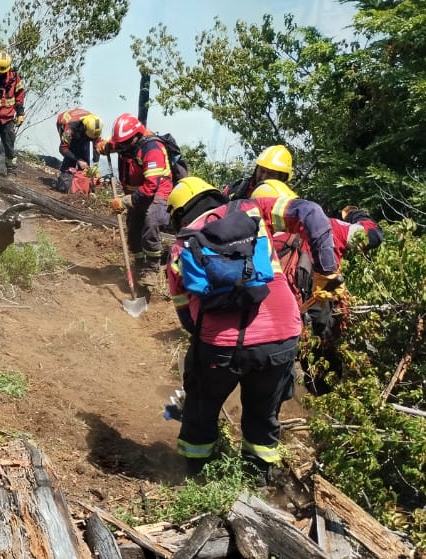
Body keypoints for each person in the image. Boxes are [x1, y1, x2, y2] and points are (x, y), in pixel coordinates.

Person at [164, 177, 340, 475]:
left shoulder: (179, 250)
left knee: (201, 408)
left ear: (179, 213)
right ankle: (258, 478)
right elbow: (311, 212)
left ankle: (195, 474)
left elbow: (188, 320)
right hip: (282, 336)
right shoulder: (254, 209)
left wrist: (211, 351)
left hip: (219, 345)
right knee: (263, 413)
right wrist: (327, 270)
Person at [247, 182, 383, 391]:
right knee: (326, 383)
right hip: (324, 327)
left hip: (274, 331)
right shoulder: (328, 226)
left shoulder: (249, 241)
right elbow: (372, 235)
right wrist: (357, 216)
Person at [102, 113, 174, 291]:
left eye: (125, 144)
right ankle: (139, 262)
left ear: (136, 136)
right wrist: (103, 146)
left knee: (150, 222)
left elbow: (150, 187)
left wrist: (125, 201)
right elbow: (112, 144)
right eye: (120, 144)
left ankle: (151, 267)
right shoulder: (125, 142)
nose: (121, 148)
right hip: (138, 191)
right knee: (133, 227)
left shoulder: (152, 149)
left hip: (159, 191)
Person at [53, 108, 104, 192]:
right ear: (84, 128)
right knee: (72, 151)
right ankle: (64, 181)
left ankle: (82, 183)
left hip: (82, 130)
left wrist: (95, 165)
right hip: (63, 123)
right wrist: (78, 160)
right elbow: (63, 148)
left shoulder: (95, 127)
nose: (89, 139)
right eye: (89, 137)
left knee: (85, 159)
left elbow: (97, 146)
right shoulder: (70, 128)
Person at [223, 145, 294, 200]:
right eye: (262, 171)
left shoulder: (288, 204)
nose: (264, 177)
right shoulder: (235, 189)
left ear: (282, 178)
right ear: (256, 169)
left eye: (270, 174)